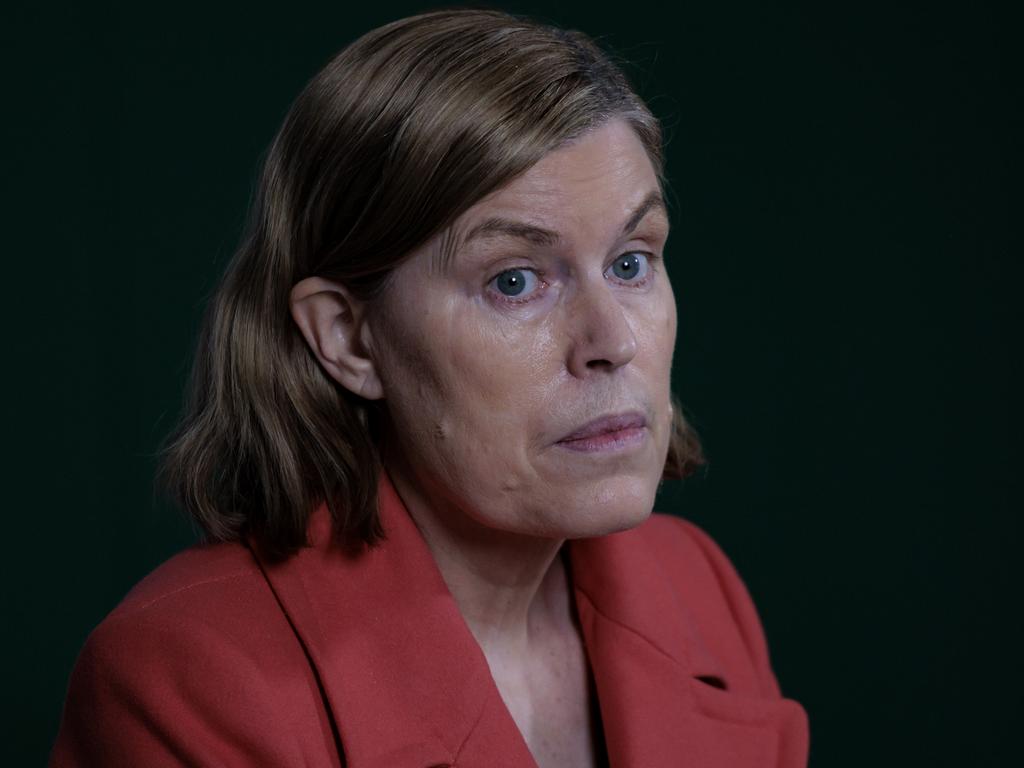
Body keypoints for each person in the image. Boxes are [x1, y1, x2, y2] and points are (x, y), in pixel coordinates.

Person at [50, 8, 808, 767]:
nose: (613, 342)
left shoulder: (694, 585)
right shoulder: (184, 678)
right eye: (515, 281)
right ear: (348, 339)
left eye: (631, 262)